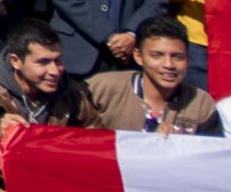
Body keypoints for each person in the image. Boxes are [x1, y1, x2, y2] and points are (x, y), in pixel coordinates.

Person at [0, 20, 96, 177]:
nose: (55, 71)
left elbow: (99, 143)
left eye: (57, 60)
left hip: (56, 180)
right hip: (0, 186)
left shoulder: (72, 93)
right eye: (43, 62)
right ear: (16, 61)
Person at [85, 18, 221, 135]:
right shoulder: (102, 88)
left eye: (177, 57)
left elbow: (211, 158)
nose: (169, 64)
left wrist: (180, 145)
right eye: (157, 55)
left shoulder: (200, 102)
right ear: (138, 56)